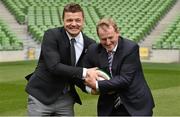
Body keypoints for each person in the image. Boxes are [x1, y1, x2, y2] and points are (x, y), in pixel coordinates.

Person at [25, 3, 97, 116]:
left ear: (83, 21)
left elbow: (76, 75)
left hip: (66, 98)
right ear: (63, 20)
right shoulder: (51, 35)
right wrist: (85, 72)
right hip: (41, 95)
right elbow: (54, 66)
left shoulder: (90, 44)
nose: (74, 24)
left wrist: (91, 88)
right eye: (69, 20)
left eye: (78, 20)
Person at [84, 18, 155, 116]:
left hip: (135, 104)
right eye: (103, 39)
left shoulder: (130, 48)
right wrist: (88, 81)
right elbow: (84, 72)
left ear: (117, 33)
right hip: (109, 106)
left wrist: (96, 85)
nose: (108, 42)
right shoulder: (93, 50)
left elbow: (125, 79)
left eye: (110, 37)